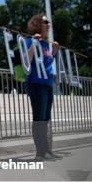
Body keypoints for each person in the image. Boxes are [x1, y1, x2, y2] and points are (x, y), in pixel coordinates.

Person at [25, 13, 60, 161]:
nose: (49, 24)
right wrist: (33, 44)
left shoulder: (46, 44)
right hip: (36, 83)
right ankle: (40, 152)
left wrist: (54, 52)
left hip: (47, 83)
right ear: (38, 24)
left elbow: (47, 62)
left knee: (45, 118)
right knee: (39, 118)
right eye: (46, 21)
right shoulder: (30, 41)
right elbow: (27, 60)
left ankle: (46, 150)